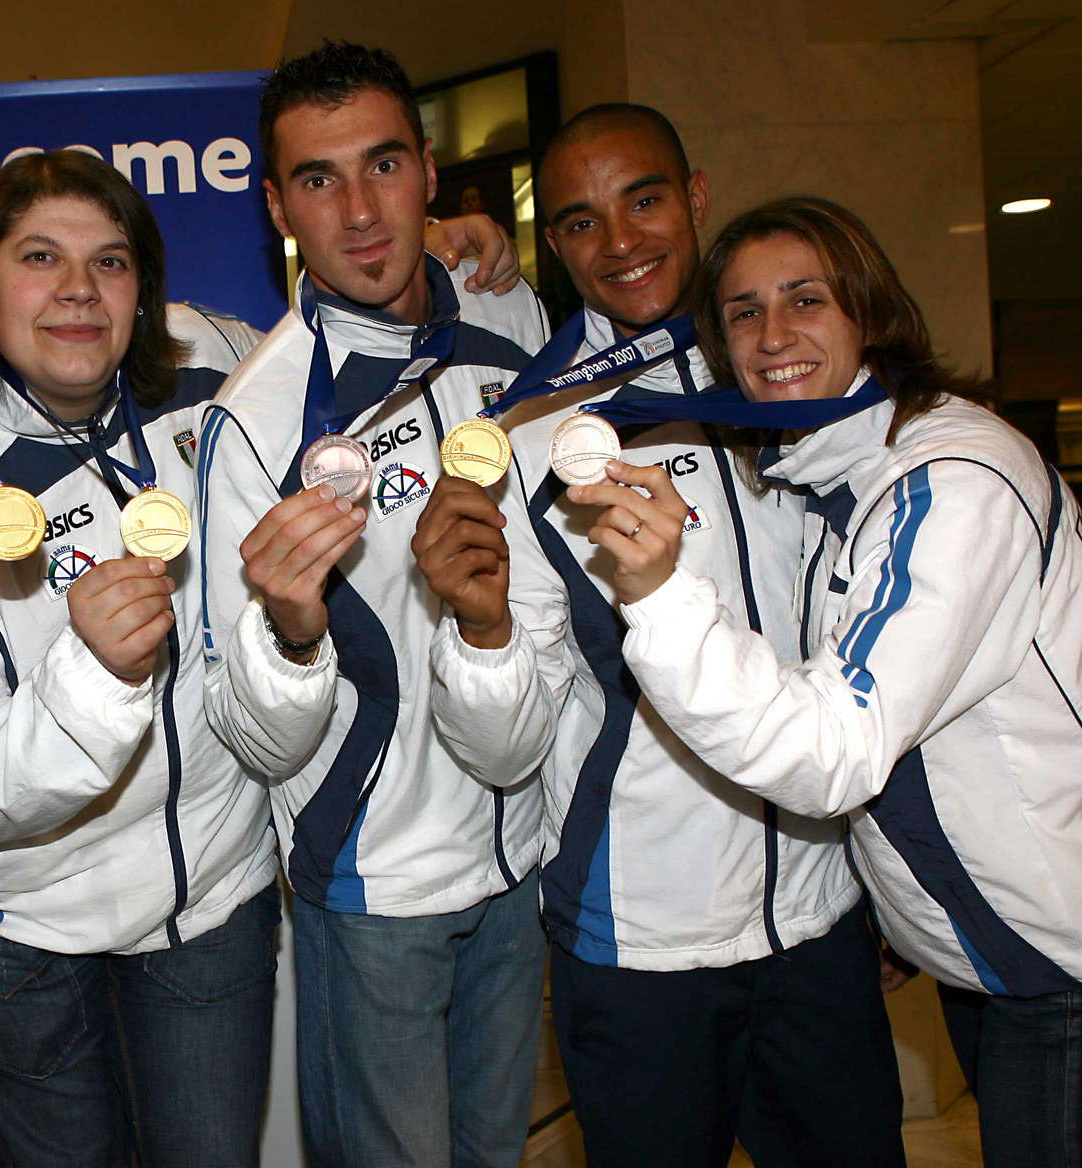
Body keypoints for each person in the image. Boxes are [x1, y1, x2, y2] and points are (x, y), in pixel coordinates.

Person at [586, 195, 1082, 1168]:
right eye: (744, 312)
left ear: (868, 310)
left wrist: (659, 594)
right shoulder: (845, 472)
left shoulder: (949, 483)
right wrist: (906, 903)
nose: (773, 335)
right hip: (1004, 957)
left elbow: (838, 747)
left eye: (805, 299)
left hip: (1061, 968)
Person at [488, 105, 905, 1166]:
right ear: (555, 243)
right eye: (580, 222)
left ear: (696, 196)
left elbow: (863, 657)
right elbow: (508, 731)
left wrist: (880, 878)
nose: (620, 241)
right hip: (642, 945)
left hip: (818, 917)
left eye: (645, 200)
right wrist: (477, 630)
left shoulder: (784, 375)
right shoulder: (537, 435)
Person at [0, 148, 279, 1167]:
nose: (80, 289)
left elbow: (343, 331)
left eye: (110, 261)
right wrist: (95, 678)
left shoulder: (214, 372)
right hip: (24, 933)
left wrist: (448, 259)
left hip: (212, 897)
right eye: (40, 257)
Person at [197, 42, 553, 1166]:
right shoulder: (256, 419)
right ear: (276, 206)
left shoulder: (509, 326)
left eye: (383, 165)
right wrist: (291, 633)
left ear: (430, 172)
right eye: (318, 179)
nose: (358, 212)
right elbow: (251, 732)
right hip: (377, 887)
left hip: (524, 852)